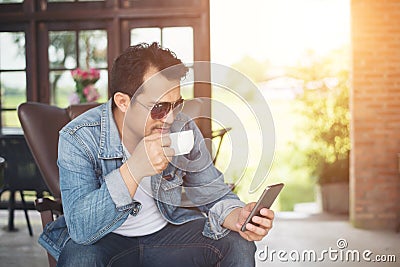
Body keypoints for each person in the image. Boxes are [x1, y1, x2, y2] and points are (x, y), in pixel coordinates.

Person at [38, 42, 275, 267]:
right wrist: (133, 171)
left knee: (238, 243)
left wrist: (237, 217)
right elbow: (81, 228)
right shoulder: (78, 137)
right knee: (80, 258)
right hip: (103, 241)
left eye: (177, 104)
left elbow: (212, 193)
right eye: (159, 108)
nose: (170, 118)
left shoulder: (181, 127)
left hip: (168, 235)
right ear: (122, 102)